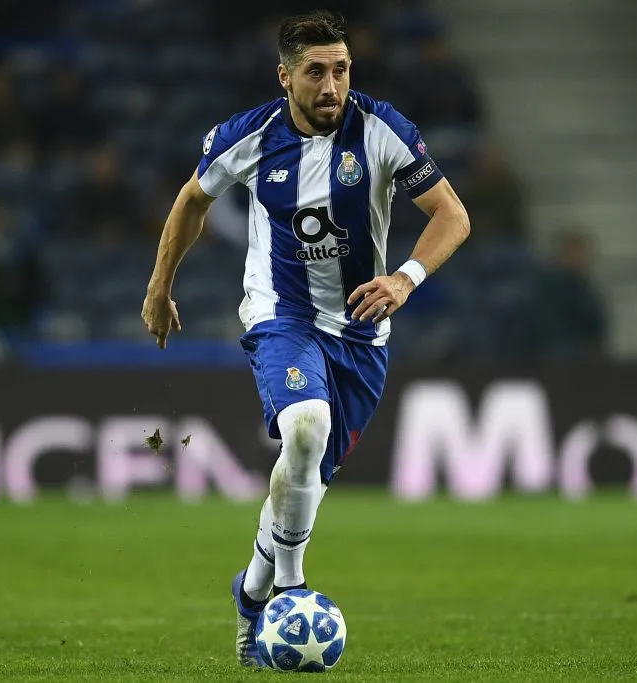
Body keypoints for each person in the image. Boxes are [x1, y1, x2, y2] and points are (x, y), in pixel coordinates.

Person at [140, 10, 470, 667]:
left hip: (361, 337)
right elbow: (191, 199)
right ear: (285, 76)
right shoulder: (253, 136)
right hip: (281, 316)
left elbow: (451, 216)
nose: (331, 85)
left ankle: (252, 589)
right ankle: (291, 588)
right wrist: (159, 285)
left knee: (304, 477)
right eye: (316, 72)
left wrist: (404, 278)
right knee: (306, 427)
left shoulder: (380, 130)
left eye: (341, 69)